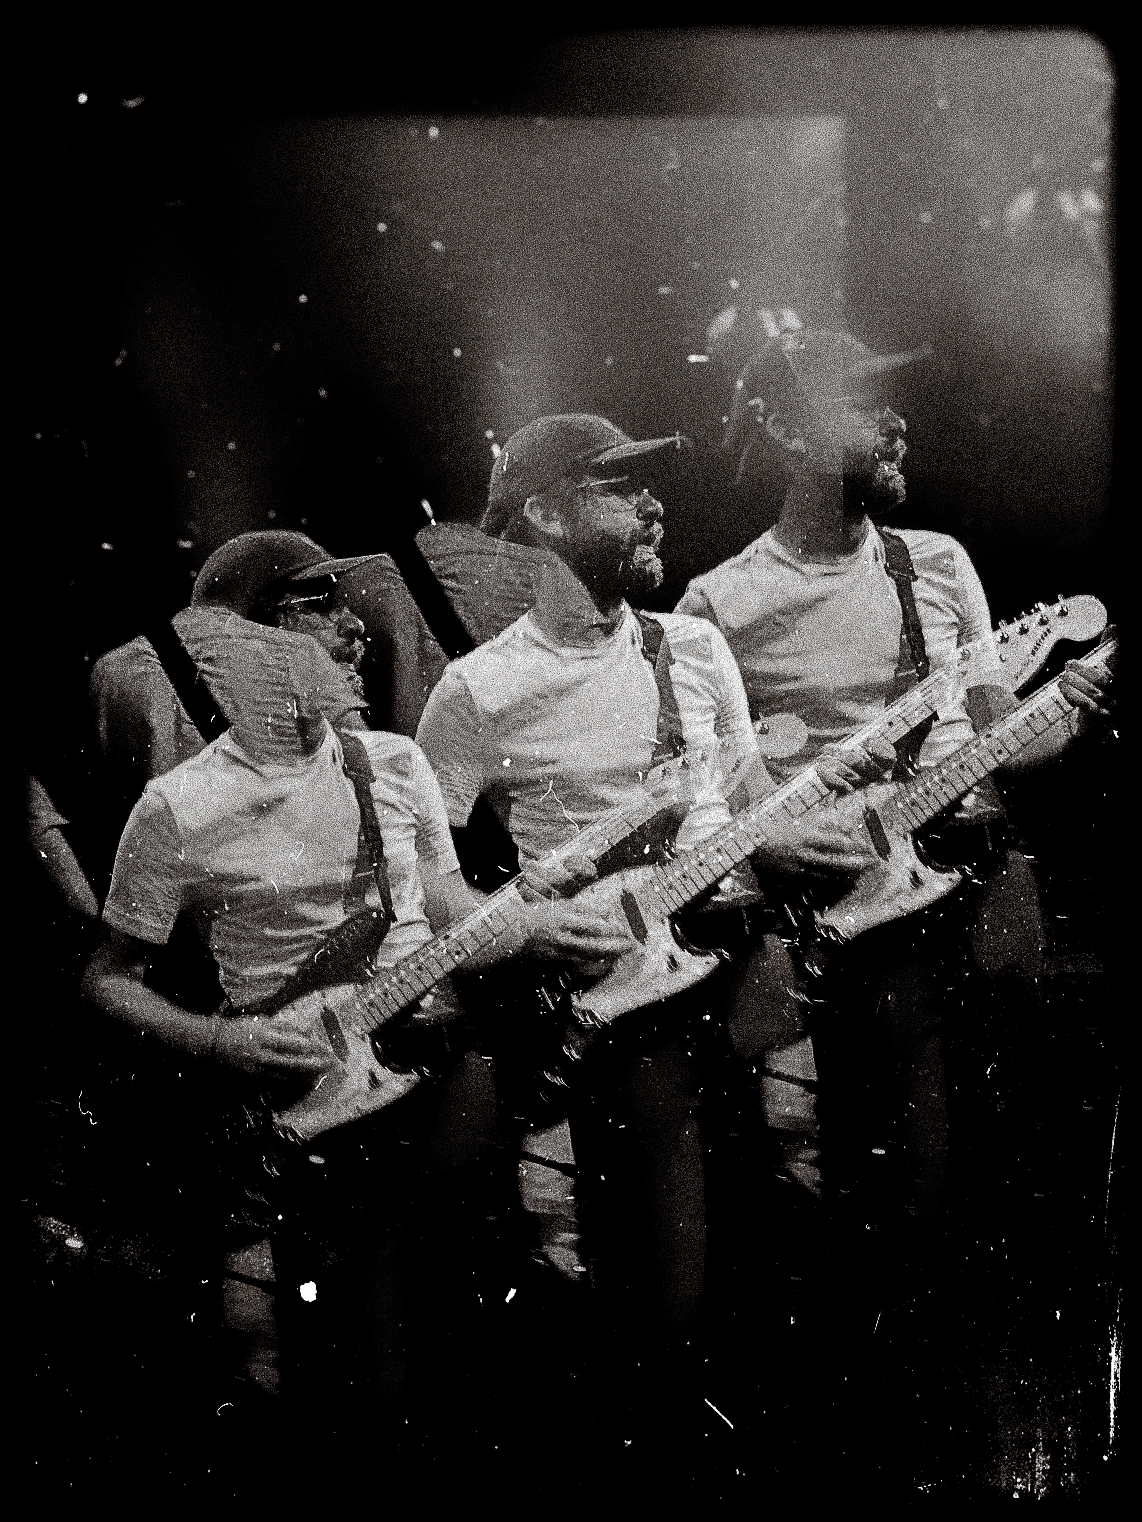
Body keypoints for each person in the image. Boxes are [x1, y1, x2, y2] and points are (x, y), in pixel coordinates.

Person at [80, 528, 630, 1442]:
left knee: (481, 1307)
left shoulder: (395, 761)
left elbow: (446, 909)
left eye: (348, 602)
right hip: (318, 1096)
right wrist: (228, 1042)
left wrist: (530, 924)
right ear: (251, 640)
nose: (357, 627)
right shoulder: (180, 806)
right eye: (319, 607)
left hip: (445, 1067)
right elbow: (108, 980)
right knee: (360, 1357)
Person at [414, 413, 877, 1449]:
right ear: (543, 511)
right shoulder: (479, 688)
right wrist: (529, 925)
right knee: (668, 1250)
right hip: (621, 993)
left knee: (791, 1210)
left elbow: (752, 800)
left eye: (645, 485)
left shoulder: (695, 646)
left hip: (746, 961)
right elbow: (427, 881)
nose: (653, 501)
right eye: (617, 485)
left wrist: (816, 834)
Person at [675, 329, 1113, 1256]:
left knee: (1015, 1144)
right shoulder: (720, 603)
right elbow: (704, 796)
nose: (895, 423)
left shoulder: (938, 562)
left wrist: (1066, 707)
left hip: (986, 879)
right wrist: (777, 845)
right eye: (864, 404)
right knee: (892, 1182)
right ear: (792, 433)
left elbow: (1003, 737)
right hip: (857, 911)